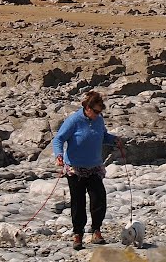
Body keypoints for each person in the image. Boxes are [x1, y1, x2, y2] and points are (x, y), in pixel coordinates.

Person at [53, 91, 123, 250]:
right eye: (96, 111)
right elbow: (58, 139)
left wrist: (114, 140)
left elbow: (103, 136)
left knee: (99, 199)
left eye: (100, 112)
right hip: (75, 168)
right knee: (78, 202)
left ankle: (96, 231)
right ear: (87, 108)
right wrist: (58, 155)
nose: (98, 115)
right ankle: (78, 234)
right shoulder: (74, 120)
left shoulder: (99, 120)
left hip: (94, 167)